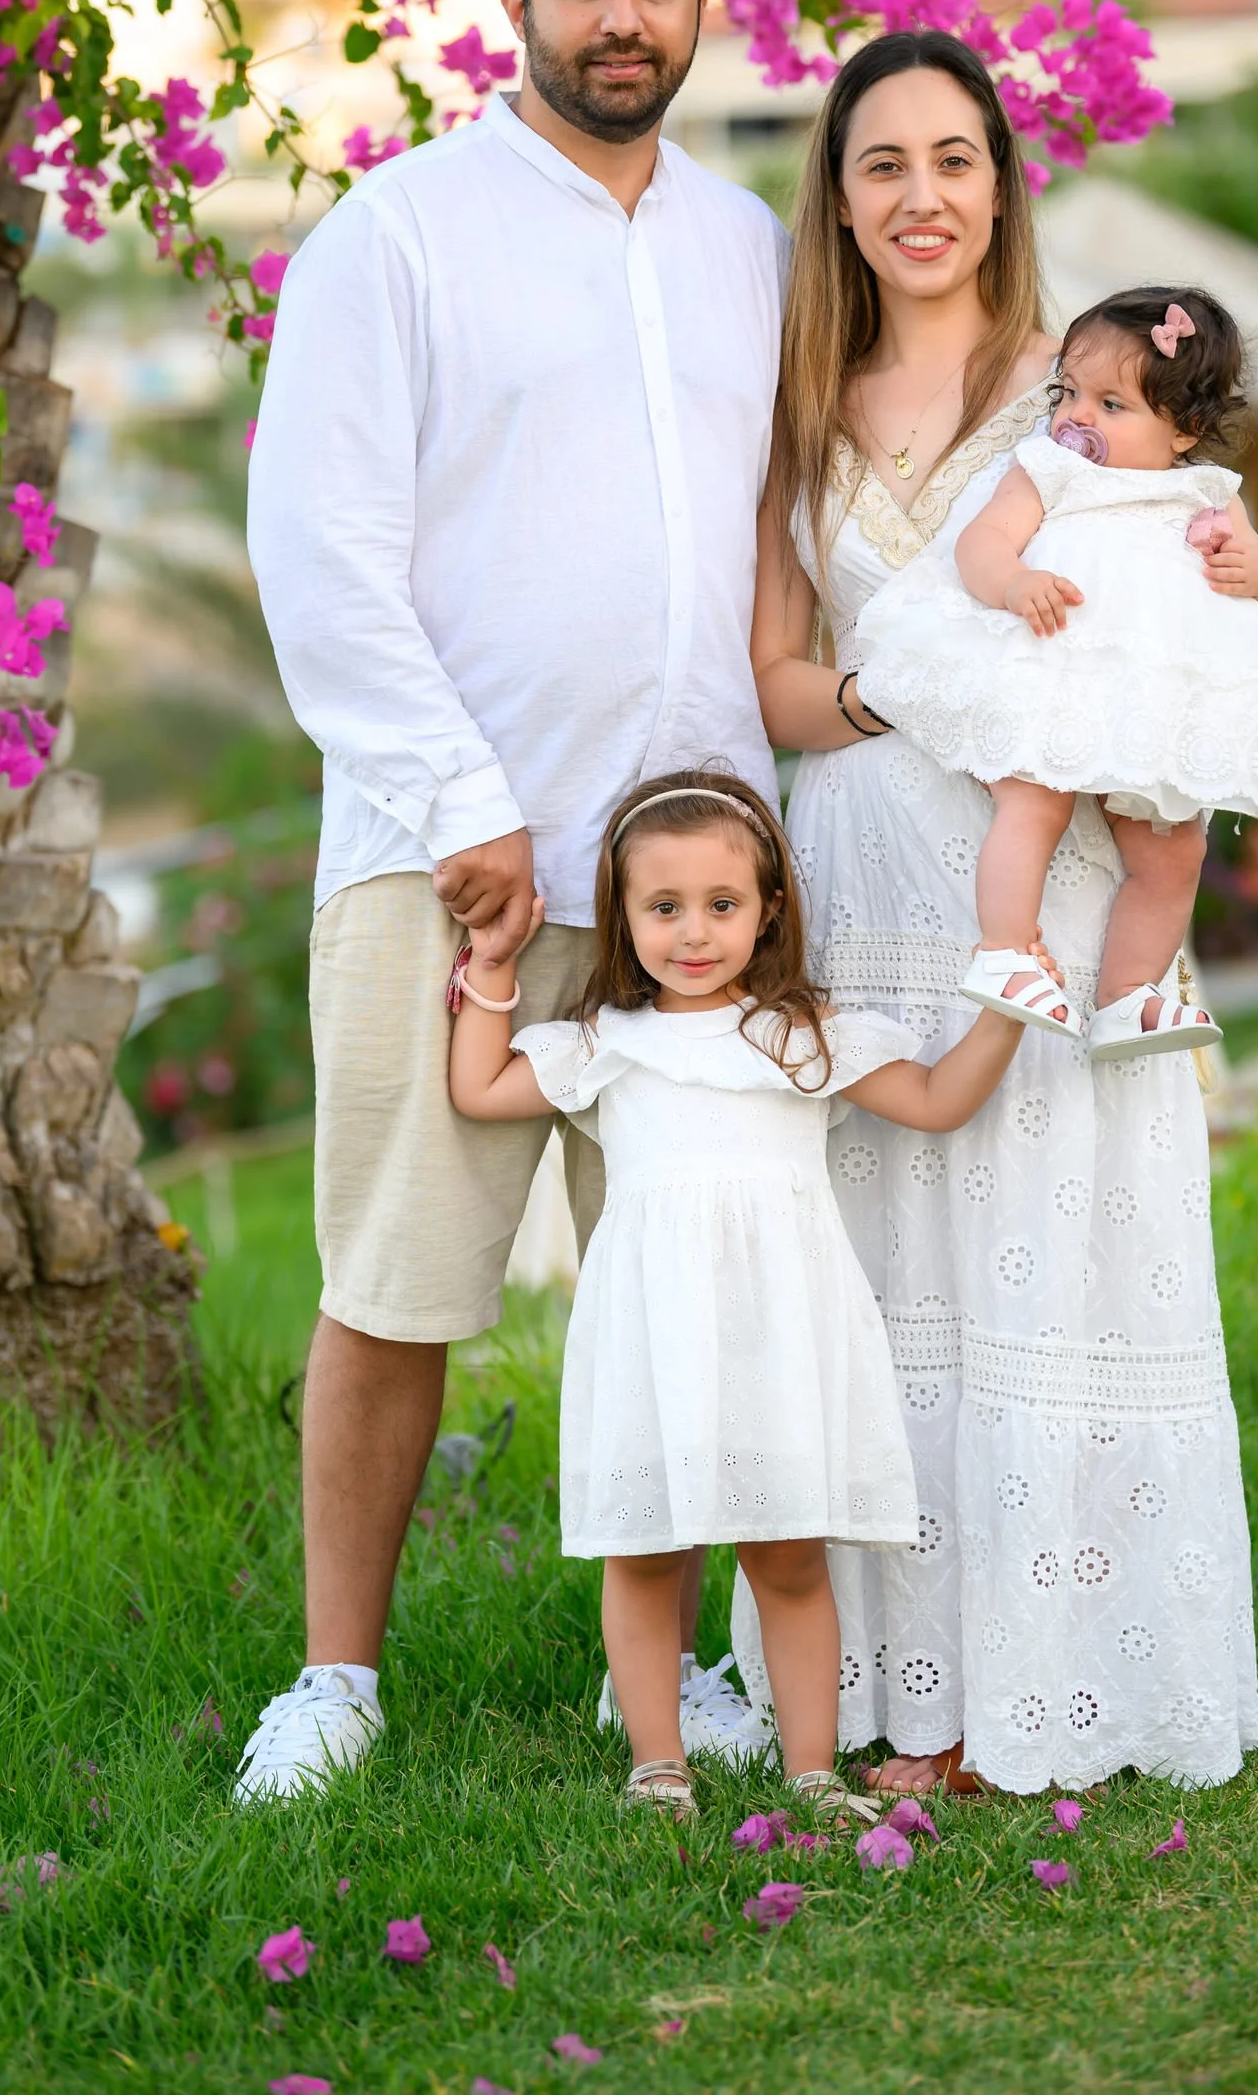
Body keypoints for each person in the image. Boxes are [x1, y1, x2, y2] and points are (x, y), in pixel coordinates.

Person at [239, 0, 786, 1801]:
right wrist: (467, 805)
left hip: (690, 887)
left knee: (692, 1276)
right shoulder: (393, 238)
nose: (622, 15)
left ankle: (688, 1667)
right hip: (444, 862)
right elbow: (319, 551)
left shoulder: (745, 241)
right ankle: (335, 1681)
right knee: (395, 1277)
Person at [747, 28, 1258, 1797]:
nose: (919, 195)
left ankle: (1046, 1692)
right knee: (889, 1279)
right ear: (839, 191)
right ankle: (904, 1689)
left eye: (952, 158)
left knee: (1057, 1255)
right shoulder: (798, 401)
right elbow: (777, 681)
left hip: (1046, 879)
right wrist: (904, 688)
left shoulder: (1092, 389)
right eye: (881, 162)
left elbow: (1187, 606)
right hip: (863, 877)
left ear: (998, 180)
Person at [448, 771, 1036, 1816]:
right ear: (622, 920)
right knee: (640, 1552)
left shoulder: (799, 1034)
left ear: (766, 908)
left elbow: (937, 1101)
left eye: (720, 904)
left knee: (788, 1553)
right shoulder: (607, 1042)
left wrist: (1004, 1014)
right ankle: (656, 1764)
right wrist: (491, 968)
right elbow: (479, 1089)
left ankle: (809, 1771)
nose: (691, 932)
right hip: (652, 1329)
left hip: (778, 1327)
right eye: (661, 907)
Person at [856, 285, 1258, 1057]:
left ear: (1186, 431)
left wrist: (1253, 567)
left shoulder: (1206, 494)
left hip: (1142, 709)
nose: (1075, 417)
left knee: (1173, 850)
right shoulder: (1048, 470)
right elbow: (981, 543)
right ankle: (1004, 953)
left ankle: (1128, 994)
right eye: (1067, 391)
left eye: (1110, 404)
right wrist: (1013, 583)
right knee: (1033, 803)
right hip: (1054, 679)